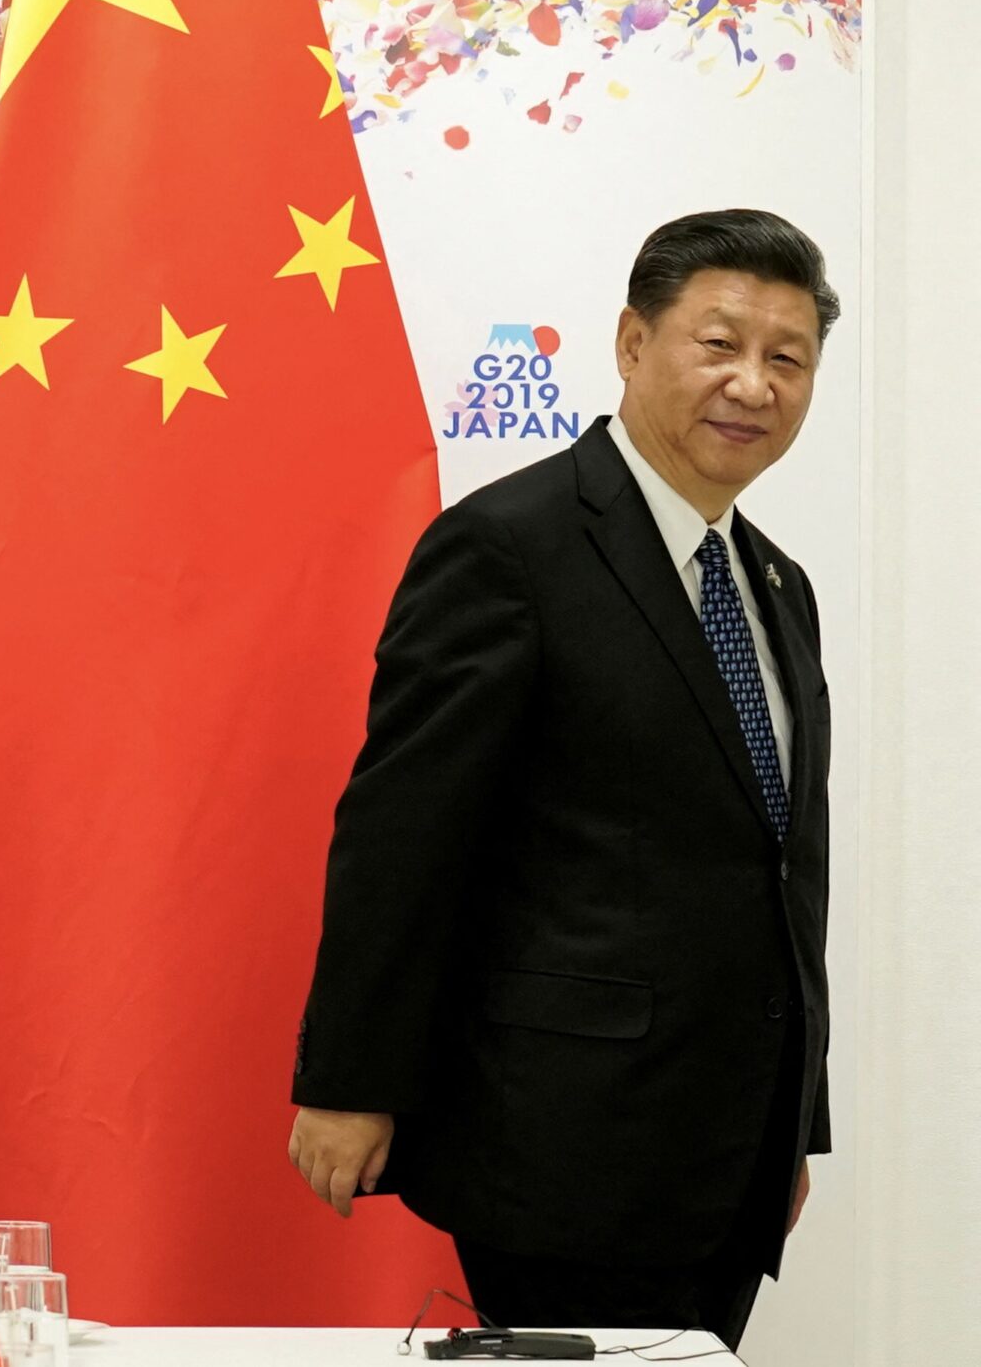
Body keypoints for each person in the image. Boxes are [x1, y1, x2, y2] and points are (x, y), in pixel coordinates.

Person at [286, 209, 839, 1349]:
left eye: (786, 358)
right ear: (632, 344)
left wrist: (794, 1122)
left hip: (731, 1152)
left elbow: (781, 868)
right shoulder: (508, 547)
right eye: (719, 343)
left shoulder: (778, 583)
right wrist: (348, 1081)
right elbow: (402, 836)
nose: (752, 384)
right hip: (564, 1140)